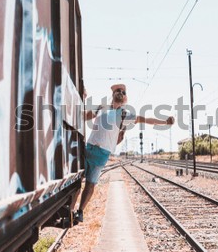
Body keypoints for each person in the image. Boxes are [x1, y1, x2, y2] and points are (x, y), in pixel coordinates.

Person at [71, 83, 174, 224]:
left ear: (125, 98)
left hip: (102, 153)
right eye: (118, 90)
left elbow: (145, 119)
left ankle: (80, 211)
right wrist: (83, 98)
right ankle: (70, 210)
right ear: (112, 94)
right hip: (87, 149)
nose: (121, 92)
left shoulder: (125, 114)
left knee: (90, 184)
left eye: (123, 92)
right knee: (76, 182)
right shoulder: (101, 108)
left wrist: (165, 121)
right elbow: (82, 116)